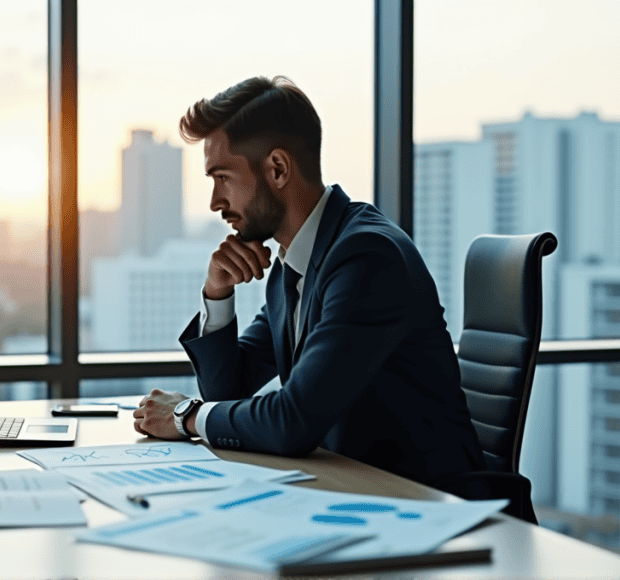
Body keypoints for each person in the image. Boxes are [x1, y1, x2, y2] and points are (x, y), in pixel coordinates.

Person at [132, 75, 487, 489]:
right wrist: (218, 293)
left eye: (223, 177)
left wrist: (184, 416)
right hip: (353, 491)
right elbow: (228, 392)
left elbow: (292, 420)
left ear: (278, 169)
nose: (214, 202)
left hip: (433, 507)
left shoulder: (367, 257)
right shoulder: (293, 263)